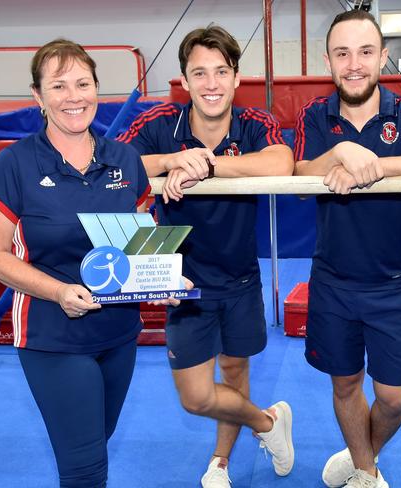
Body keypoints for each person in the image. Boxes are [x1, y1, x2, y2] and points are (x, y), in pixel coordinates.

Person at [0, 39, 177, 487]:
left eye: (83, 83)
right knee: (85, 468)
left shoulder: (125, 159)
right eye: (59, 85)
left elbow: (139, 236)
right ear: (38, 97)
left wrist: (159, 276)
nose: (74, 96)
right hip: (53, 334)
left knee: (94, 441)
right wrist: (56, 291)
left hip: (118, 333)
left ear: (97, 90)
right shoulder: (15, 163)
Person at [117, 25, 295, 488]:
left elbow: (282, 161)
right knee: (196, 396)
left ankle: (220, 461)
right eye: (200, 73)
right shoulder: (160, 124)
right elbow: (119, 161)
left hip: (239, 278)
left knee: (235, 371)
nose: (211, 83)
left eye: (221, 72)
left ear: (237, 78)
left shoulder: (255, 124)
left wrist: (210, 164)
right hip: (183, 282)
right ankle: (267, 422)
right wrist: (174, 160)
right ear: (185, 80)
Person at [293, 10, 401, 488]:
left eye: (364, 52)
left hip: (392, 281)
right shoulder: (316, 115)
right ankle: (368, 472)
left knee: (395, 398)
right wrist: (337, 154)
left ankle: (361, 456)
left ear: (383, 57)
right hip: (332, 279)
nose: (353, 64)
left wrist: (375, 164)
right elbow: (297, 176)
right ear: (328, 60)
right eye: (342, 53)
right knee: (345, 385)